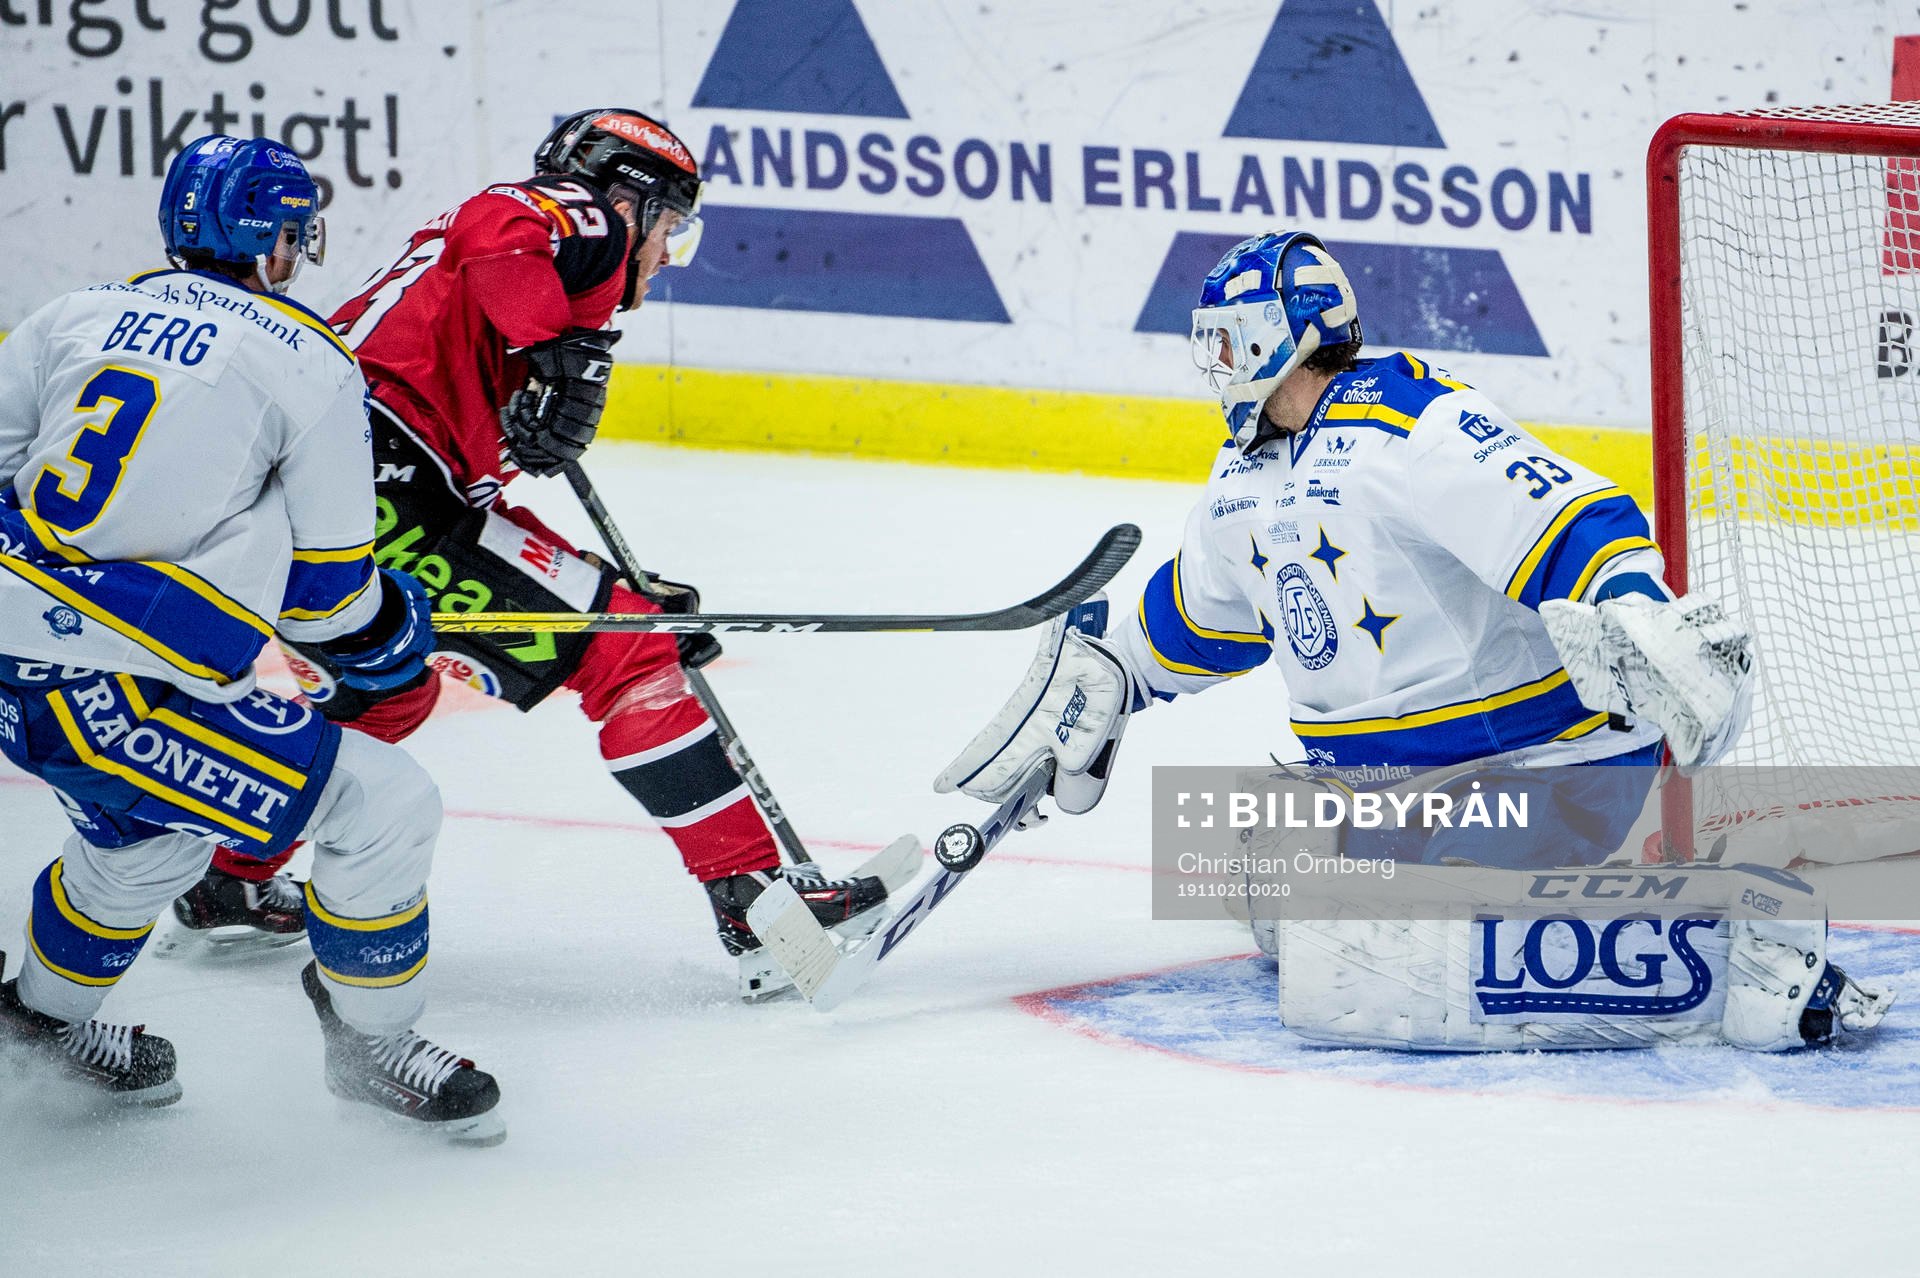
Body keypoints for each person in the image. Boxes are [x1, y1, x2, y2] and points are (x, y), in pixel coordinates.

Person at [936, 230, 1891, 1052]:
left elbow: (1566, 511)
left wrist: (1632, 599)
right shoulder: (1245, 472)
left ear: (1284, 337)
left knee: (1350, 962)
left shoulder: (1410, 419)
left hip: (1540, 778)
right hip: (1408, 795)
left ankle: (1734, 960)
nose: (1215, 366)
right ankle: (1480, 917)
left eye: (1228, 343)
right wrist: (1111, 668)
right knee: (1253, 856)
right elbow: (1203, 614)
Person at [160, 109, 890, 999]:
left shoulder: (505, 289)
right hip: (376, 488)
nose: (664, 257)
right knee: (627, 655)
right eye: (670, 230)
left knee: (394, 690)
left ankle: (229, 875)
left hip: (339, 497)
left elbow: (473, 516)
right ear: (632, 201)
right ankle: (759, 911)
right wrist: (559, 357)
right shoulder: (578, 221)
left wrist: (607, 584)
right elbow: (494, 218)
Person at [0, 135, 503, 1142]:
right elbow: (327, 608)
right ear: (272, 238)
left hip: (39, 654)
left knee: (149, 842)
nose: (299, 249)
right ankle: (372, 1044)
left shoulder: (71, 314)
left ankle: (33, 1028)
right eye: (293, 231)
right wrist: (396, 625)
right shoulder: (307, 359)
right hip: (100, 683)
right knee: (383, 801)